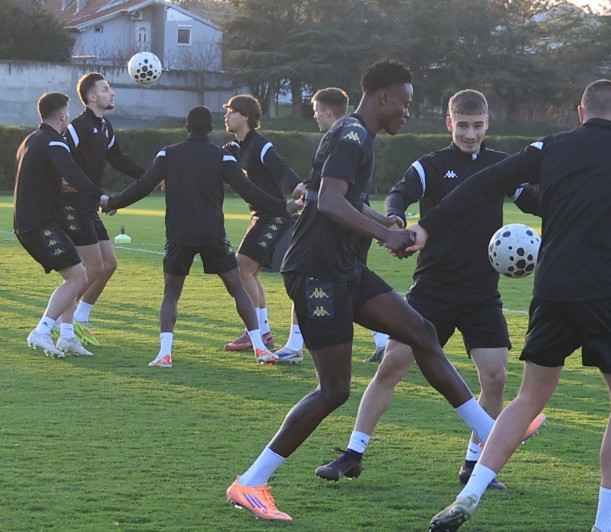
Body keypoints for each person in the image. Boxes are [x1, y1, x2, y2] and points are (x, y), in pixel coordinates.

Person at [418, 79, 611, 532]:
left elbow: (483, 182)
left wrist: (428, 225)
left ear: (580, 113)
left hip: (550, 291)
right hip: (606, 291)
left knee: (528, 397)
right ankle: (607, 523)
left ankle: (469, 495)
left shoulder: (548, 147)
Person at [224, 60, 505, 522]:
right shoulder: (352, 134)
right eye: (407, 104)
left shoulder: (358, 135)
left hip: (344, 268)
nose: (409, 113)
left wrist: (383, 221)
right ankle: (251, 482)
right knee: (333, 390)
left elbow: (332, 199)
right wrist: (386, 236)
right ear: (385, 98)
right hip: (318, 273)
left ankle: (492, 432)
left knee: (421, 332)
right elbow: (331, 202)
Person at [314, 89, 543, 489]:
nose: (470, 134)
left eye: (477, 125)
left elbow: (532, 200)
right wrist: (396, 218)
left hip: (481, 293)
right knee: (393, 364)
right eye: (463, 125)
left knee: (495, 377)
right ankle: (353, 453)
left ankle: (474, 465)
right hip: (433, 288)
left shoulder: (502, 165)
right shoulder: (431, 165)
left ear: (487, 124)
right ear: (449, 123)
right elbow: (400, 194)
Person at [102, 106, 295, 368]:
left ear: (187, 127)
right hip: (212, 234)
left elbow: (143, 185)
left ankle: (164, 354)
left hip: (179, 233)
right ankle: (260, 348)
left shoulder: (168, 153)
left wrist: (114, 202)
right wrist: (282, 206)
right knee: (237, 287)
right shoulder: (221, 156)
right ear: (210, 129)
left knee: (171, 294)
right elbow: (248, 190)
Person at [274, 87, 393, 363]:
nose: (315, 118)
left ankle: (295, 346)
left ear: (328, 112)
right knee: (342, 290)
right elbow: (346, 198)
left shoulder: (345, 136)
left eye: (316, 112)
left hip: (334, 239)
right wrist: (384, 222)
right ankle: (382, 341)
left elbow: (336, 200)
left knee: (334, 291)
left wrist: (385, 229)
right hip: (339, 238)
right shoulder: (351, 135)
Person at [15, 92, 108, 358]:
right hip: (40, 224)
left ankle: (66, 337)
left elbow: (43, 176)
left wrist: (58, 183)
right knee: (79, 277)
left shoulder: (30, 140)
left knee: (75, 275)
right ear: (63, 115)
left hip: (35, 222)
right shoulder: (55, 142)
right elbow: (72, 172)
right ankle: (42, 330)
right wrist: (101, 197)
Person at [61, 72, 147, 347]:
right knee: (93, 266)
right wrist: (60, 180)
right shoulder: (78, 127)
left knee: (108, 264)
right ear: (92, 97)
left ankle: (80, 318)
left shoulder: (105, 127)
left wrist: (150, 177)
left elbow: (118, 159)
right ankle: (59, 322)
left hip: (90, 204)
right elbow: (58, 154)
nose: (113, 93)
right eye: (107, 89)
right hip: (72, 206)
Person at [219, 94, 300, 360]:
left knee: (241, 268)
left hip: (274, 216)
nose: (227, 115)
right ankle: (262, 331)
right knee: (250, 273)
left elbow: (282, 169)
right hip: (261, 216)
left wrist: (298, 189)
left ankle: (256, 330)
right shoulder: (234, 146)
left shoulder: (261, 145)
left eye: (231, 111)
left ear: (245, 116)